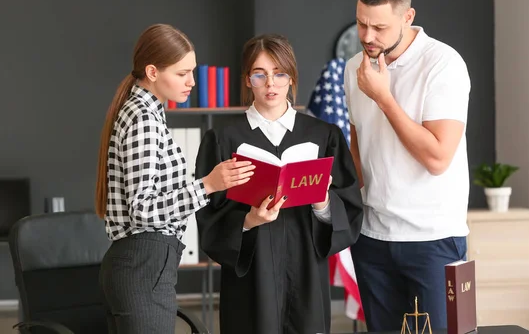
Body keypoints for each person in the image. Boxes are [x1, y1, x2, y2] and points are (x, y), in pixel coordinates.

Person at [194, 34, 363, 334]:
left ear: (291, 77)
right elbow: (209, 218)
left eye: (279, 73)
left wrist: (323, 204)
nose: (270, 83)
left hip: (306, 274)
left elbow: (349, 207)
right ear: (248, 80)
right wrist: (248, 220)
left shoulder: (324, 136)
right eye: (260, 74)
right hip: (251, 279)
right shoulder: (223, 139)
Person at [95, 23, 255, 334]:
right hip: (143, 262)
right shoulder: (143, 118)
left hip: (143, 263)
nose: (192, 82)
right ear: (152, 72)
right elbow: (142, 209)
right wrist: (208, 185)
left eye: (192, 72)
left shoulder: (145, 111)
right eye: (182, 74)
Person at [344, 0, 471, 331]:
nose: (367, 36)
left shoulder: (443, 64)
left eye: (379, 27)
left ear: (408, 16)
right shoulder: (354, 67)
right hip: (372, 237)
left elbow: (437, 158)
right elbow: (358, 145)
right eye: (361, 23)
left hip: (432, 239)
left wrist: (384, 98)